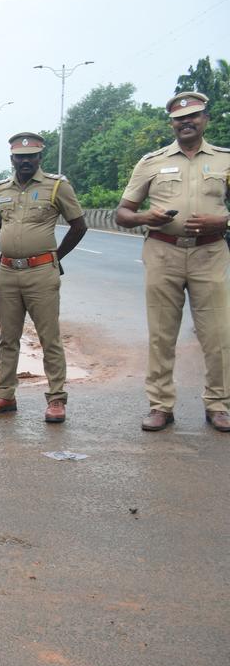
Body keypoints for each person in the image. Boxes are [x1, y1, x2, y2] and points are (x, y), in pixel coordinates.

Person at [116, 91, 230, 433]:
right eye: (180, 119)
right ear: (172, 124)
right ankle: (160, 405)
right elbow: (122, 213)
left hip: (210, 253)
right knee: (161, 335)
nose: (187, 122)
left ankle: (219, 405)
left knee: (219, 334)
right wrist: (146, 216)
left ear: (205, 119)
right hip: (162, 252)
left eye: (193, 116)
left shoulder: (225, 160)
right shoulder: (151, 161)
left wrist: (222, 222)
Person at [0, 133, 87, 423]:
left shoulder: (56, 186)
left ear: (40, 157)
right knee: (8, 338)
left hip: (42, 273)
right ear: (11, 158)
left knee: (49, 338)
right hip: (8, 272)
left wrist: (54, 258)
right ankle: (5, 395)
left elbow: (79, 225)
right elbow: (1, 226)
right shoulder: (1, 190)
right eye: (20, 157)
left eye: (31, 156)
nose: (25, 161)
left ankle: (56, 399)